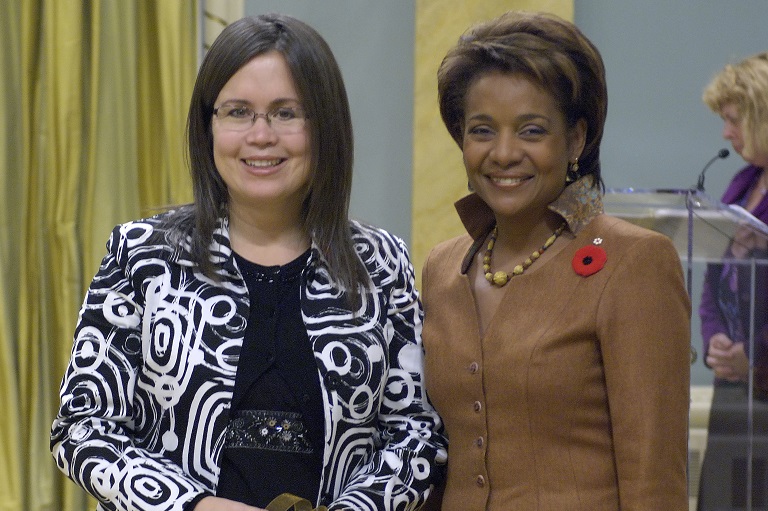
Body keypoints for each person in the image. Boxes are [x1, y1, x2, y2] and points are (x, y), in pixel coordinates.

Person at [50, 13, 447, 511]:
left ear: (324, 126)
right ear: (208, 126)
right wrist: (194, 507)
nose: (261, 136)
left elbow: (416, 435)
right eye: (238, 112)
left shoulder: (380, 263)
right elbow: (84, 428)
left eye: (286, 113)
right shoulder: (142, 255)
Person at [420, 10, 691, 510]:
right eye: (482, 130)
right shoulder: (442, 268)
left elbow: (655, 481)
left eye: (531, 131)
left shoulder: (634, 262)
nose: (503, 153)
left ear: (576, 140)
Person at [696, 51, 768, 510]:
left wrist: (757, 361)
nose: (726, 132)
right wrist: (715, 339)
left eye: (733, 119)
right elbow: (712, 282)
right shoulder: (742, 184)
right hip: (733, 390)